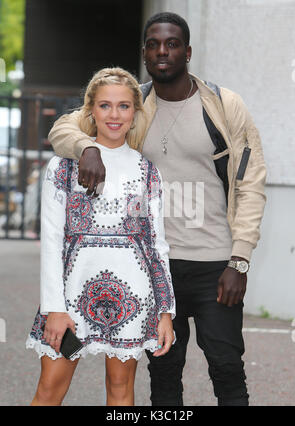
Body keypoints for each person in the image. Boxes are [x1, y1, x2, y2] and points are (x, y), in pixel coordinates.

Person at [47, 13, 267, 406]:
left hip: (215, 262)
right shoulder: (133, 104)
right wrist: (88, 147)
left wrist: (240, 260)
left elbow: (251, 182)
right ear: (145, 51)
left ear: (188, 51)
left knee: (226, 364)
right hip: (152, 266)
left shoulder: (223, 105)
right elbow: (64, 128)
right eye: (153, 44)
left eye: (172, 44)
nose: (162, 51)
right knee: (164, 372)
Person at [26, 67, 175, 406]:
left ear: (135, 113)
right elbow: (52, 240)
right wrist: (54, 308)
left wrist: (165, 311)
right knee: (49, 390)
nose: (114, 114)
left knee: (121, 391)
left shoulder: (145, 170)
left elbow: (154, 245)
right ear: (90, 109)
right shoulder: (63, 166)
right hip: (70, 294)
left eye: (124, 106)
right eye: (105, 105)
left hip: (133, 297)